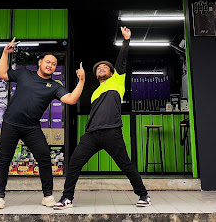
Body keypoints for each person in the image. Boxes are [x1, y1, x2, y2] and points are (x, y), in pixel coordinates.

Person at [54, 27, 151, 209]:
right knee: (74, 163)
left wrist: (126, 40)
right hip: (91, 134)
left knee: (126, 165)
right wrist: (81, 80)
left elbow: (121, 61)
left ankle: (143, 195)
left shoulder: (117, 81)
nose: (101, 68)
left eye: (105, 66)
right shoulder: (95, 93)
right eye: (98, 68)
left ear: (112, 72)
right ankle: (67, 198)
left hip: (111, 132)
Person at [0, 38, 85, 209]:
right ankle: (0, 197)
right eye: (48, 62)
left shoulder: (54, 86)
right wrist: (5, 53)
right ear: (40, 63)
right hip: (11, 123)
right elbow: (2, 73)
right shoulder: (24, 74)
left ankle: (47, 196)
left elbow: (71, 99)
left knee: (44, 158)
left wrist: (81, 81)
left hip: (32, 127)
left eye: (54, 64)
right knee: (4, 160)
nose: (50, 65)